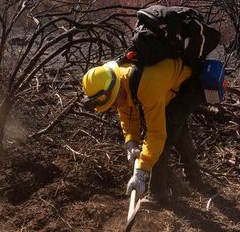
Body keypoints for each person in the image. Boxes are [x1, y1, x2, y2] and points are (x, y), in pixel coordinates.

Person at [82, 57, 205, 203]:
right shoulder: (121, 79)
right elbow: (127, 113)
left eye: (113, 102)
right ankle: (195, 178)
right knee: (176, 129)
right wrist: (131, 142)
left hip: (189, 86)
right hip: (166, 87)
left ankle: (157, 195)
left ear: (118, 89)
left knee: (166, 133)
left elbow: (156, 134)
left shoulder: (146, 86)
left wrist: (141, 171)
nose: (113, 107)